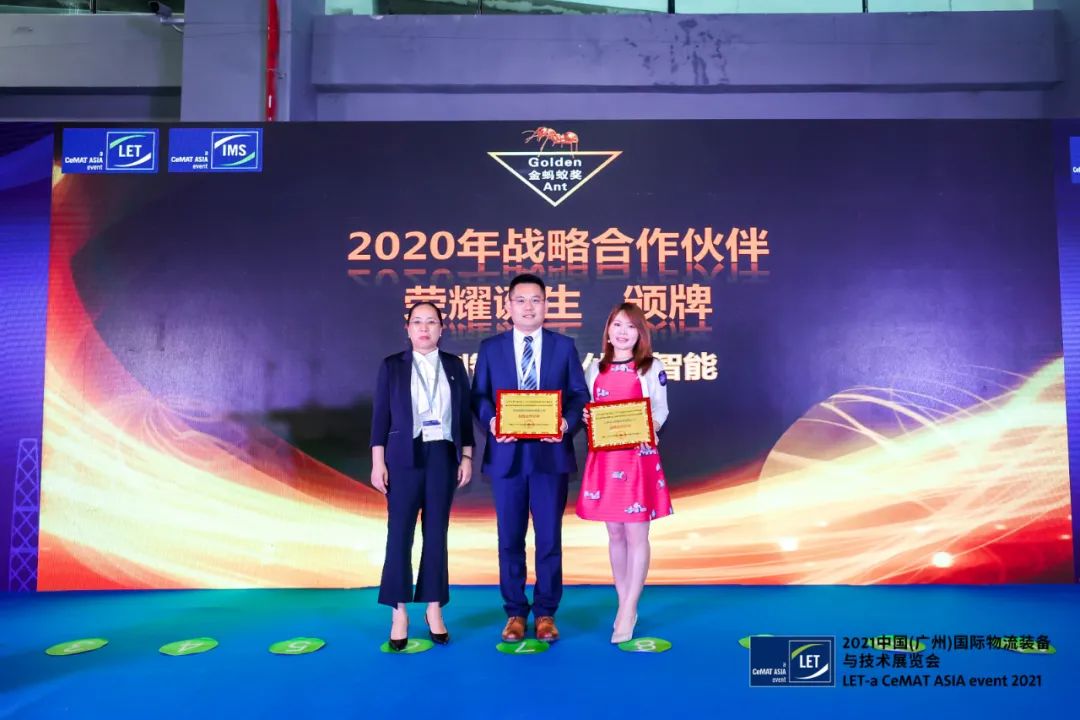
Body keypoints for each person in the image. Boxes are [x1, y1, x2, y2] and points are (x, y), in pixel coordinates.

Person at [471, 273, 590, 643]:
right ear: (508, 306)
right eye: (520, 300)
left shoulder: (563, 347)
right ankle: (515, 613)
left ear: (545, 305)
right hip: (506, 456)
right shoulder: (490, 348)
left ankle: (546, 613)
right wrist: (492, 421)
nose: (528, 307)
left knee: (549, 538)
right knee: (509, 539)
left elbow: (579, 395)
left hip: (549, 456)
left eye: (535, 300)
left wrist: (565, 424)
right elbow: (479, 396)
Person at [370, 302, 474, 651]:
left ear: (442, 329)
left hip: (442, 455)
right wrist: (378, 462)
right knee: (399, 533)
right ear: (408, 328)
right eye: (418, 322)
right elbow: (380, 418)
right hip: (402, 457)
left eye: (431, 322)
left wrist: (466, 456)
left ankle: (434, 608)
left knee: (436, 534)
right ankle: (398, 613)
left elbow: (463, 418)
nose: (425, 328)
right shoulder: (392, 366)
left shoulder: (454, 366)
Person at [577, 302, 673, 644]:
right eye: (617, 325)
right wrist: (587, 416)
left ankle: (630, 607)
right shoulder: (595, 367)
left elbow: (660, 408)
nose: (622, 332)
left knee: (636, 535)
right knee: (615, 534)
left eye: (631, 326)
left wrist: (651, 426)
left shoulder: (651, 367)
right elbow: (589, 408)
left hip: (637, 459)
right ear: (608, 330)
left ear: (640, 333)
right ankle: (623, 602)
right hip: (606, 458)